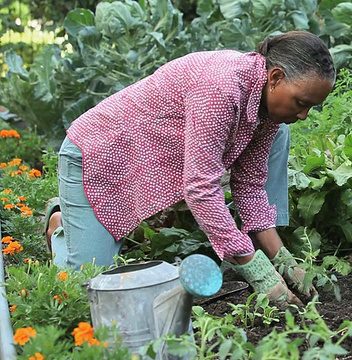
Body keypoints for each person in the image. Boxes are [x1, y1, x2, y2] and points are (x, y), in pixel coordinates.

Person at [43, 30, 336, 305]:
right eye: (301, 102)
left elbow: (250, 187)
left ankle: (74, 226)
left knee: (102, 287)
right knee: (91, 292)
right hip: (97, 156)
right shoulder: (221, 87)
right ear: (275, 77)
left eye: (311, 107)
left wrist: (285, 262)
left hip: (140, 160)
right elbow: (201, 188)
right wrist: (255, 268)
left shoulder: (267, 108)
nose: (303, 115)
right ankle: (60, 229)